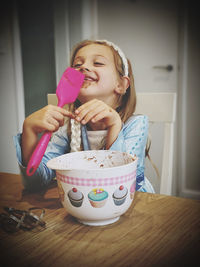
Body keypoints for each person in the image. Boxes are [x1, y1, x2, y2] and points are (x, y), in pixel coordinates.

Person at [14, 39, 155, 193]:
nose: (84, 67)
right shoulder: (68, 128)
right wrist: (29, 131)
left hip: (134, 207)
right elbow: (36, 182)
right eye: (77, 65)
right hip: (85, 205)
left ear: (121, 85)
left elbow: (123, 186)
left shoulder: (136, 124)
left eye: (98, 63)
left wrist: (115, 124)